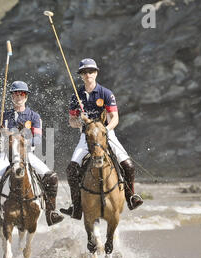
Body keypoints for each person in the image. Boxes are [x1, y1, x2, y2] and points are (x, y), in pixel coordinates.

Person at [60, 58, 143, 219]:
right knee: (71, 169)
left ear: (96, 73)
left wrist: (104, 129)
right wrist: (80, 121)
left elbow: (115, 118)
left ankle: (131, 197)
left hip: (106, 133)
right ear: (81, 75)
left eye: (91, 71)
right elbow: (71, 122)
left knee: (128, 165)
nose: (88, 74)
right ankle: (76, 207)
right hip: (86, 136)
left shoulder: (106, 93)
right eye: (84, 72)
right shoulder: (76, 96)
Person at [0, 80, 65, 230]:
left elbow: (38, 138)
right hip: (6, 155)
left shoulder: (33, 116)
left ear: (26, 96)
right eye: (15, 93)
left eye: (21, 94)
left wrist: (23, 141)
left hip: (26, 154)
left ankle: (50, 212)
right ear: (11, 96)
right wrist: (1, 134)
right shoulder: (3, 116)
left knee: (51, 177)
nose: (18, 96)